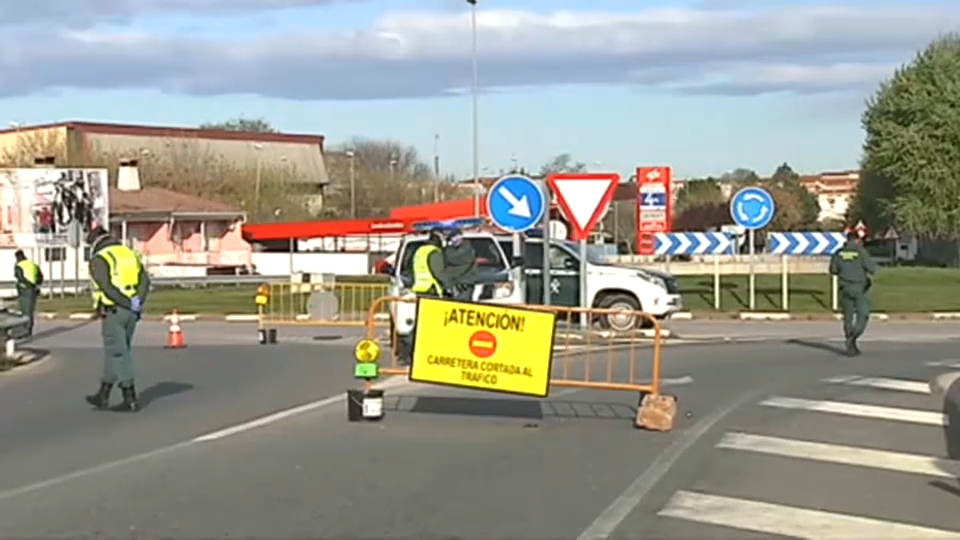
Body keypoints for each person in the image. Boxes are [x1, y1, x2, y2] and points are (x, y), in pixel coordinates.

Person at [84, 226, 151, 412]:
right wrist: (136, 301)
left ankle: (129, 397)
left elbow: (107, 288)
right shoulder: (129, 253)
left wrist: (125, 303)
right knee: (116, 351)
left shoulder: (100, 259)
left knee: (119, 354)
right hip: (131, 311)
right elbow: (145, 280)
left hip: (114, 310)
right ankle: (103, 394)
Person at [829, 231, 877, 356]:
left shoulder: (839, 253)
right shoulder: (860, 252)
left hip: (844, 288)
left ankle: (850, 342)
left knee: (848, 317)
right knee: (863, 314)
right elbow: (872, 269)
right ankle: (853, 337)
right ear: (857, 240)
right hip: (859, 288)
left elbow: (833, 270)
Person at [410, 228, 450, 298]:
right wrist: (448, 286)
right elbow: (439, 273)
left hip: (420, 288)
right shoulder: (434, 252)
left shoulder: (420, 250)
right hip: (431, 289)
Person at [442, 229, 479, 300]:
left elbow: (452, 258)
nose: (454, 241)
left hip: (463, 285)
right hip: (456, 285)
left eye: (454, 238)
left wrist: (446, 248)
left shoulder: (466, 251)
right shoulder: (467, 249)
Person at [13, 250, 43, 337]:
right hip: (33, 290)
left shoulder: (19, 266)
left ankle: (25, 331)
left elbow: (19, 277)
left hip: (24, 290)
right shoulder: (33, 264)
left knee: (25, 311)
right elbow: (40, 276)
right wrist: (36, 285)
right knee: (30, 310)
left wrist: (27, 285)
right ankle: (29, 329)